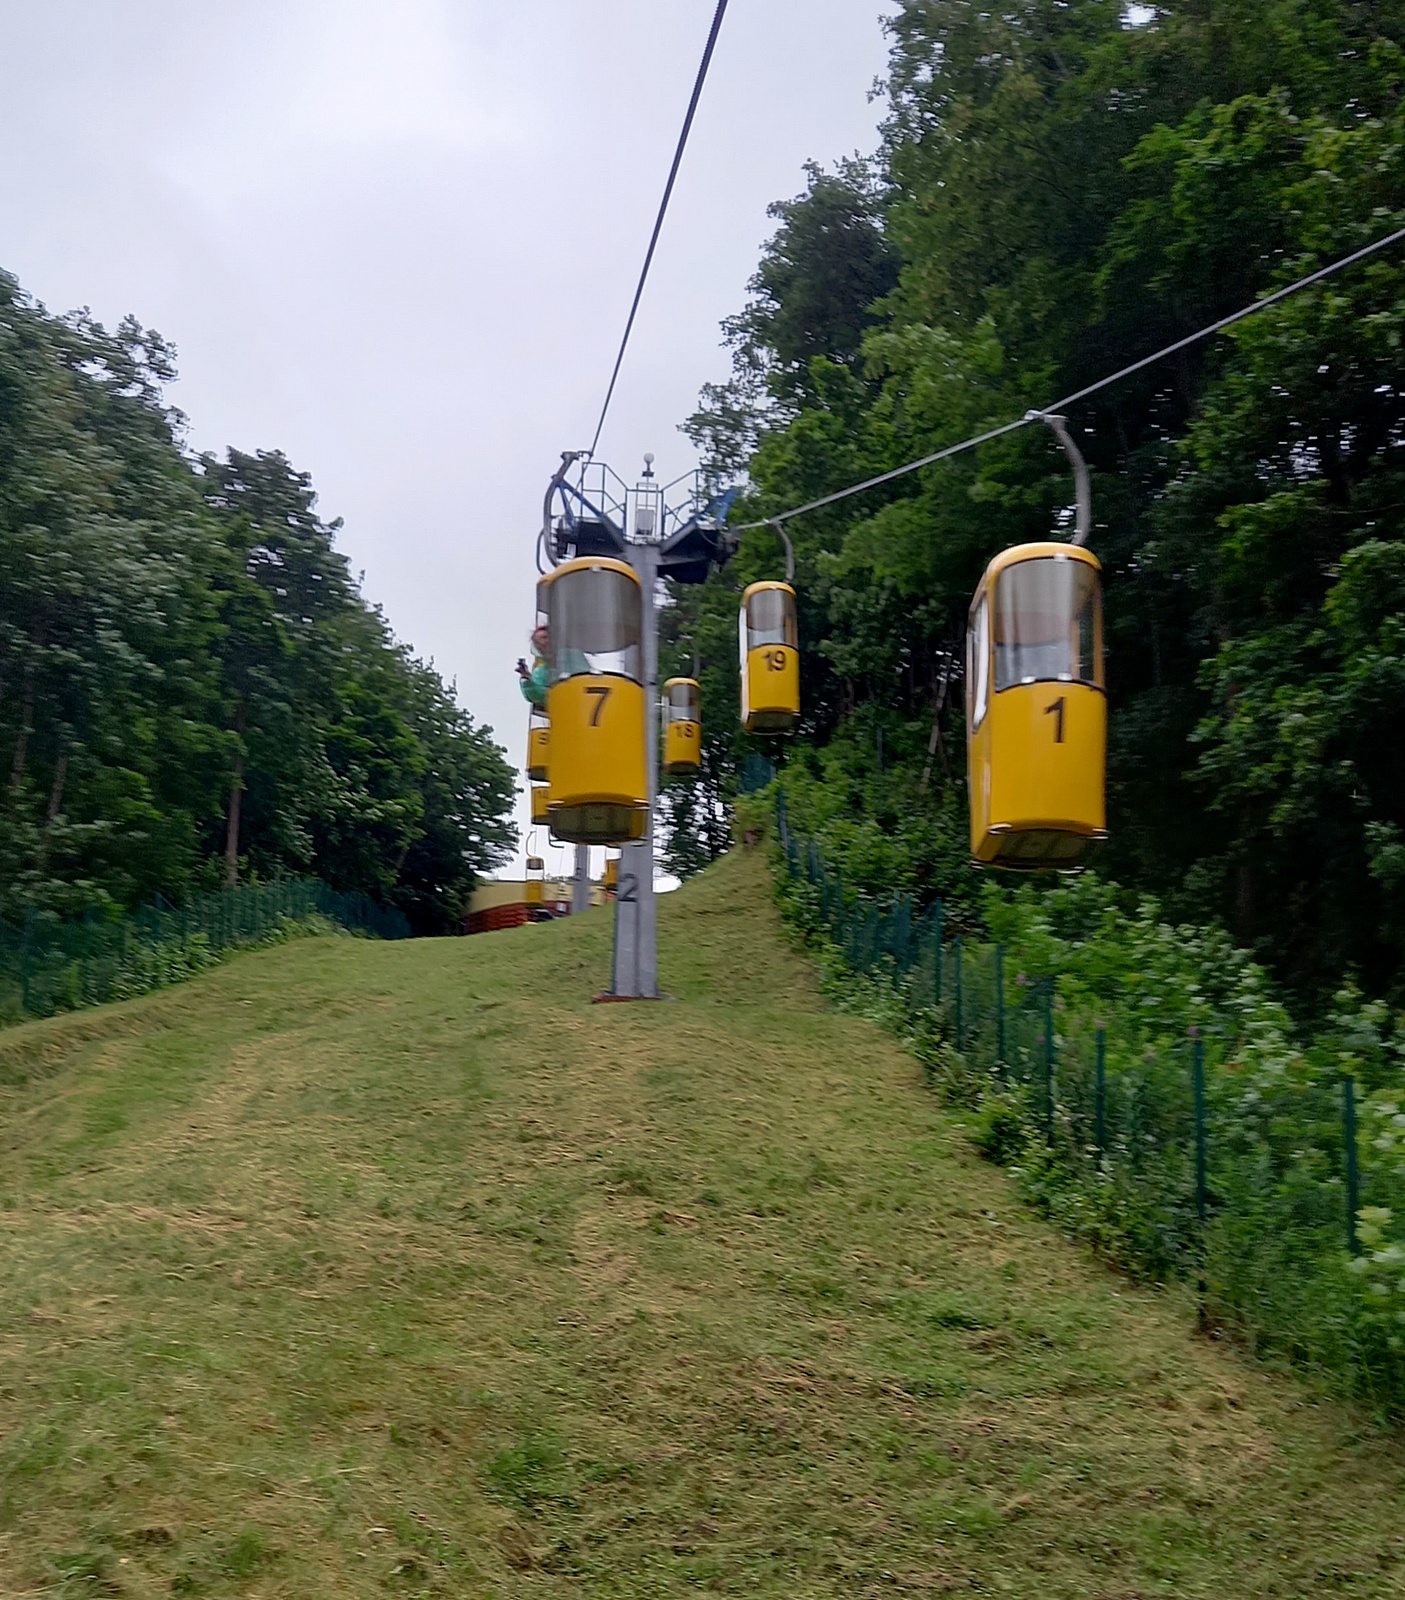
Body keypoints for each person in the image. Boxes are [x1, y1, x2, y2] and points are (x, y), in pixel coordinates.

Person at [517, 625, 550, 709]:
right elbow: (538, 695)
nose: (545, 642)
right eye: (538, 642)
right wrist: (527, 680)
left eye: (545, 637)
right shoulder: (541, 671)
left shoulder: (573, 654)